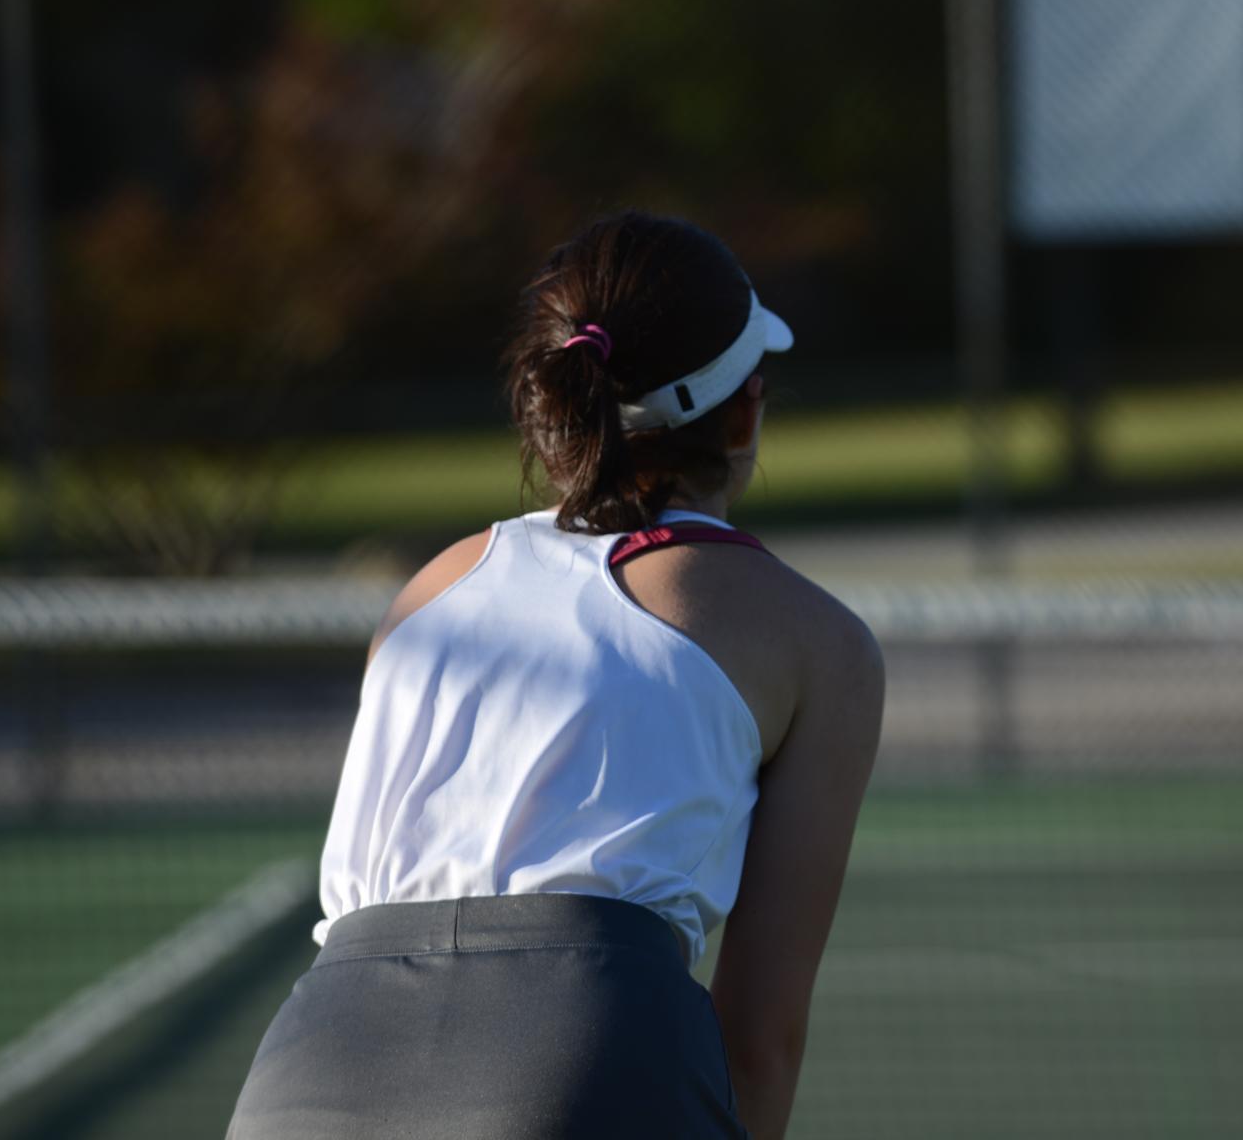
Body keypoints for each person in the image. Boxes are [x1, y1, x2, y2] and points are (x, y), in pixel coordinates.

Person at [228, 212, 886, 1140]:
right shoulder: (816, 637)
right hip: (587, 1057)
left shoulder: (429, 590)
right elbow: (759, 1041)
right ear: (744, 413)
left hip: (305, 1070)